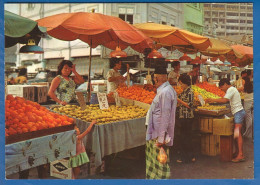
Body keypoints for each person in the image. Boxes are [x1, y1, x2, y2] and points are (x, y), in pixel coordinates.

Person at [146, 67, 177, 179]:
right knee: (155, 164)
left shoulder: (165, 92)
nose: (154, 81)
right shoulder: (165, 90)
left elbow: (165, 116)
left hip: (158, 135)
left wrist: (161, 139)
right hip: (156, 133)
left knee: (159, 165)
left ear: (157, 78)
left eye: (154, 79)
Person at [205, 78, 246, 163]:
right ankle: (238, 152)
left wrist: (212, 100)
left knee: (237, 135)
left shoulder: (230, 89)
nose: (221, 89)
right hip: (238, 113)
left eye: (221, 87)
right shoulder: (232, 89)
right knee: (236, 134)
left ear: (225, 84)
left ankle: (241, 155)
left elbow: (224, 100)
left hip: (238, 113)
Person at [176, 73, 196, 163]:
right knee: (184, 136)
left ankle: (187, 157)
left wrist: (178, 100)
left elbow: (189, 105)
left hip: (187, 117)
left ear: (185, 82)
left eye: (181, 83)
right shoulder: (184, 91)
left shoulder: (190, 92)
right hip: (182, 116)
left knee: (186, 137)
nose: (180, 85)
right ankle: (188, 156)